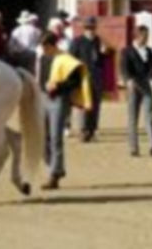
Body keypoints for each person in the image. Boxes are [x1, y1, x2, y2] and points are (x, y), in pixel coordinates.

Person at [37, 32, 92, 189]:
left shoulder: (66, 60)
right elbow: (41, 80)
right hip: (43, 98)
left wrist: (58, 86)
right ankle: (56, 167)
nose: (43, 50)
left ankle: (54, 174)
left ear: (52, 45)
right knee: (42, 137)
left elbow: (75, 81)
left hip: (59, 100)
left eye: (45, 47)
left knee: (55, 137)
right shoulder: (43, 58)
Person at [121, 25, 152, 157]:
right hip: (134, 85)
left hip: (145, 85)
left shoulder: (149, 51)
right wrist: (128, 80)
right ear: (137, 36)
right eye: (145, 36)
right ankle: (134, 148)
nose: (147, 38)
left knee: (149, 116)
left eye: (147, 36)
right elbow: (124, 67)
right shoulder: (127, 51)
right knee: (133, 118)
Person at [69, 16, 106, 142]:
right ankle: (83, 130)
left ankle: (93, 129)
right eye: (88, 27)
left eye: (93, 27)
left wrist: (103, 54)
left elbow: (100, 61)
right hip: (82, 77)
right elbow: (71, 60)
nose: (91, 30)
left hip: (96, 76)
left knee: (96, 104)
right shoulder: (77, 41)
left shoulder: (98, 41)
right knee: (84, 104)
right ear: (84, 28)